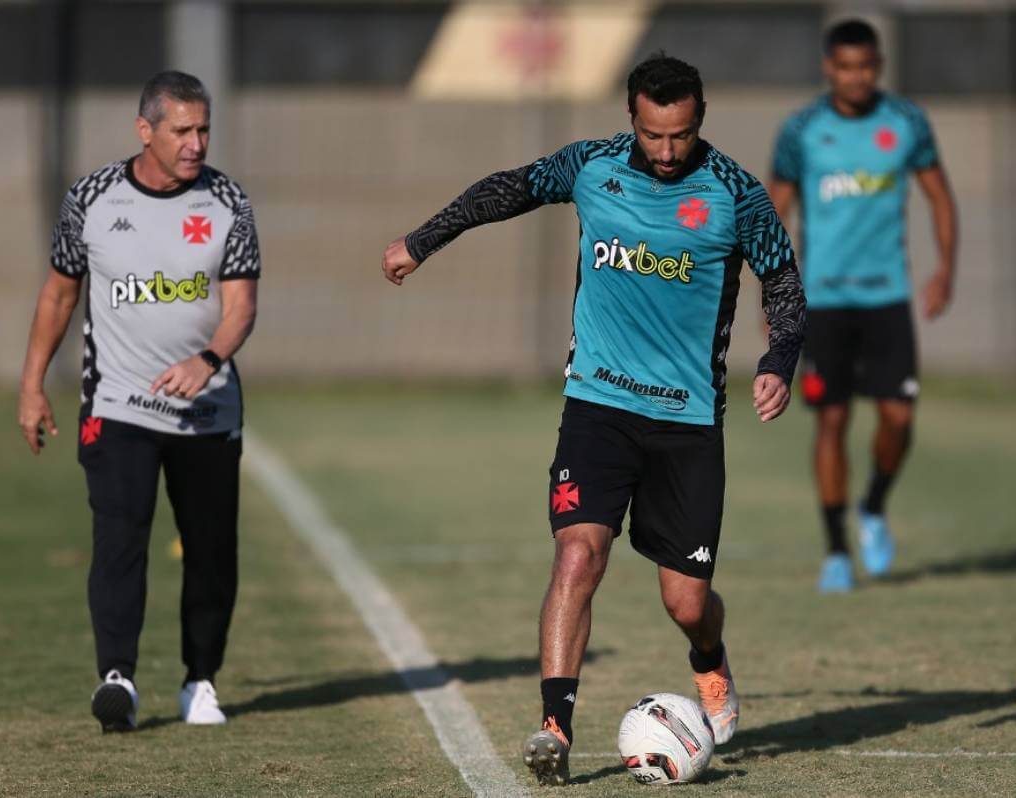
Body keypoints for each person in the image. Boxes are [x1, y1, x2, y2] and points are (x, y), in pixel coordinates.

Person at [382, 54, 805, 785]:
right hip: (598, 408)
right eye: (653, 135)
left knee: (686, 601)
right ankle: (555, 726)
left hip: (688, 423)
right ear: (632, 119)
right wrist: (423, 241)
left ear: (697, 120)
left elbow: (785, 283)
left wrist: (780, 361)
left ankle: (710, 662)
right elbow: (505, 190)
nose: (667, 152)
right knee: (578, 554)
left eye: (680, 136)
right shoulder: (592, 166)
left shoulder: (736, 194)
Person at [17, 71, 260, 731]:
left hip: (208, 413)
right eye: (182, 129)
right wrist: (33, 383)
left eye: (203, 128)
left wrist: (206, 360)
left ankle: (200, 682)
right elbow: (58, 296)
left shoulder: (228, 202)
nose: (196, 142)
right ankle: (117, 678)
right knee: (119, 536)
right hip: (117, 405)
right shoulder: (91, 198)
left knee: (212, 551)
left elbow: (241, 307)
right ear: (145, 130)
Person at [767, 19, 958, 593]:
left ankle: (873, 506)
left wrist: (946, 268)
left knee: (898, 417)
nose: (856, 77)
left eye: (866, 67)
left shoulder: (905, 124)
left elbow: (939, 197)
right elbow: (775, 211)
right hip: (823, 301)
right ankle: (835, 550)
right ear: (829, 67)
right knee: (832, 419)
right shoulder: (802, 131)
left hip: (886, 297)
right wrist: (776, 293)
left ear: (878, 67)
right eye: (845, 67)